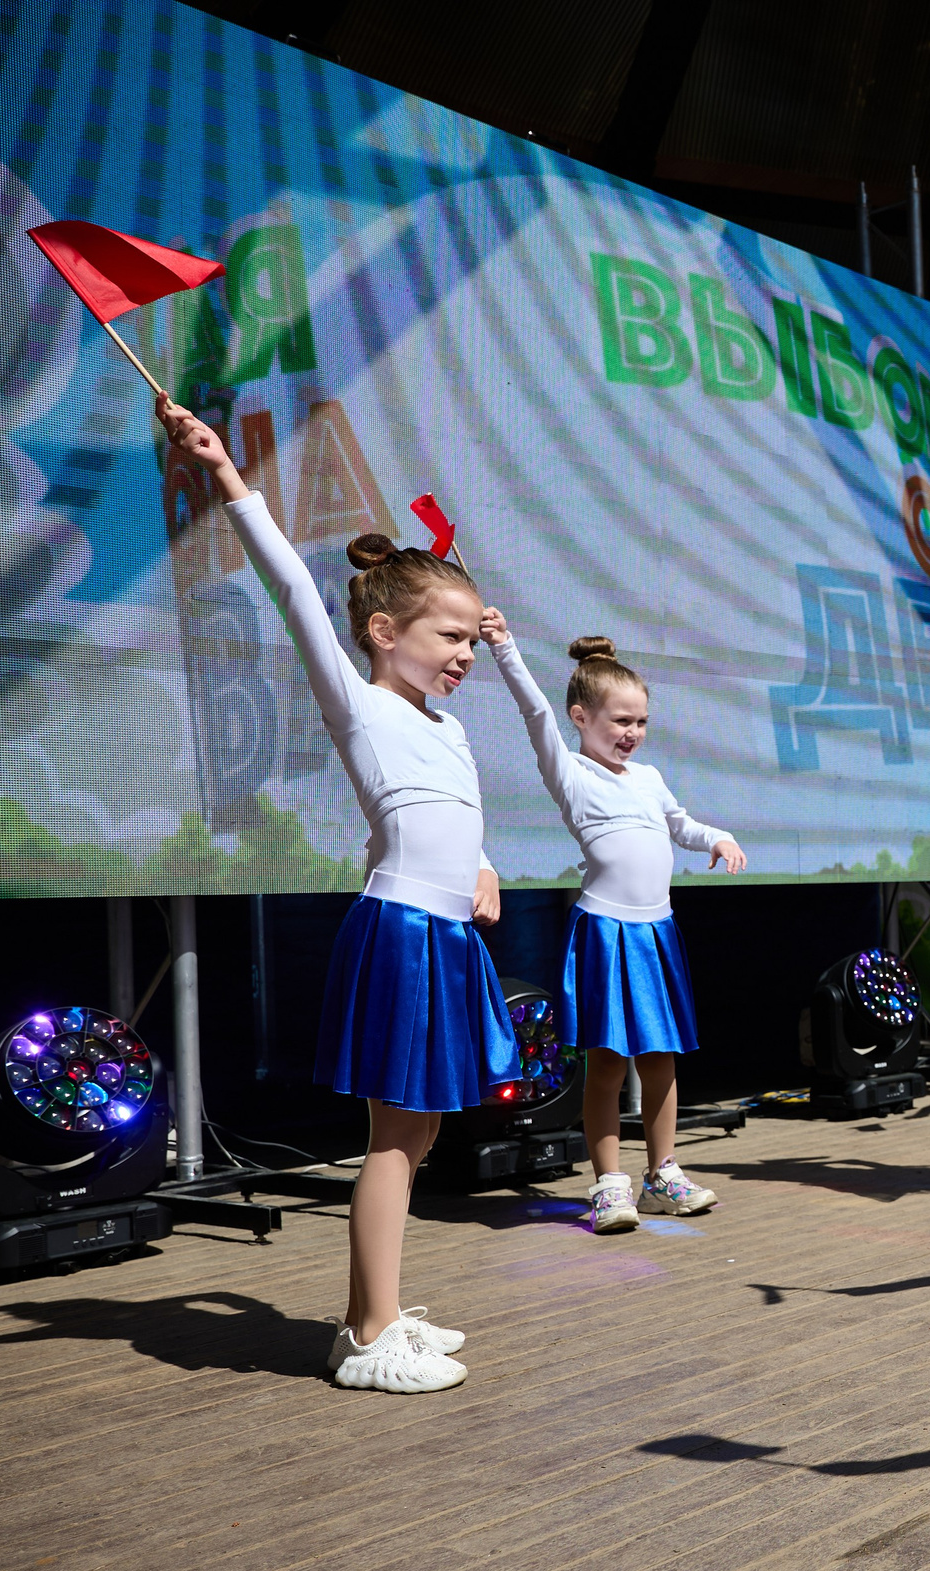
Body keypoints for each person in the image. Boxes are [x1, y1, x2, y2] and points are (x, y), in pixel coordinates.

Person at [162, 399, 511, 1395]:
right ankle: (365, 1334)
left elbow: (447, 813)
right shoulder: (354, 699)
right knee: (394, 1140)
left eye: (472, 641)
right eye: (449, 634)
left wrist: (480, 867)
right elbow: (286, 584)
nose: (464, 653)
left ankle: (386, 1305)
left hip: (445, 936)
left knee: (425, 1129)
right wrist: (226, 474)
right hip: (400, 933)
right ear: (380, 628)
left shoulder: (442, 728)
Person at [490, 631, 745, 1234]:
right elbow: (532, 710)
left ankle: (663, 1175)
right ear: (581, 717)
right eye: (620, 720)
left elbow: (680, 823)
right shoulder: (570, 771)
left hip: (656, 934)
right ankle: (609, 1185)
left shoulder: (648, 777)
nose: (631, 732)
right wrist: (504, 648)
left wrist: (716, 837)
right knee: (606, 1064)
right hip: (605, 933)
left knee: (660, 1060)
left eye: (641, 721)